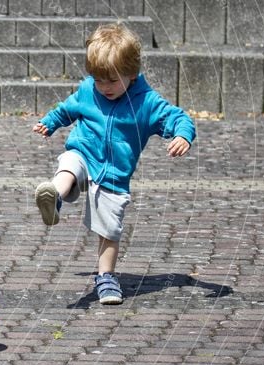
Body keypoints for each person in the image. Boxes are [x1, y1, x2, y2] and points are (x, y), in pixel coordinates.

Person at [32, 23, 195, 304]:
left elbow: (178, 117)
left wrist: (183, 135)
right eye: (98, 80)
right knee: (69, 163)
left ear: (132, 74)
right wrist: (49, 122)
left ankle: (105, 277)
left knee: (109, 229)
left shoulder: (146, 103)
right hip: (84, 152)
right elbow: (67, 109)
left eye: (111, 80)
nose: (104, 87)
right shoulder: (88, 90)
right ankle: (54, 196)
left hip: (114, 175)